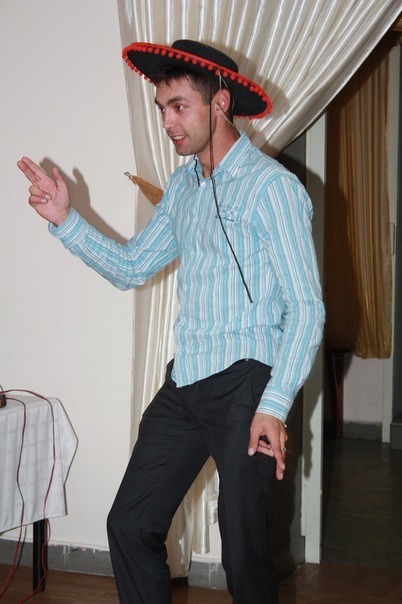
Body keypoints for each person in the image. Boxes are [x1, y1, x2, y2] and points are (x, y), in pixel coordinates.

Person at [18, 40, 325, 604]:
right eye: (162, 108)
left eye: (179, 106)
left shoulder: (272, 188)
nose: (167, 122)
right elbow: (132, 266)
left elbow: (306, 307)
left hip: (248, 383)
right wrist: (66, 220)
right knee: (130, 524)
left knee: (244, 555)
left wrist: (275, 405)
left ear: (220, 103)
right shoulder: (184, 185)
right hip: (186, 381)